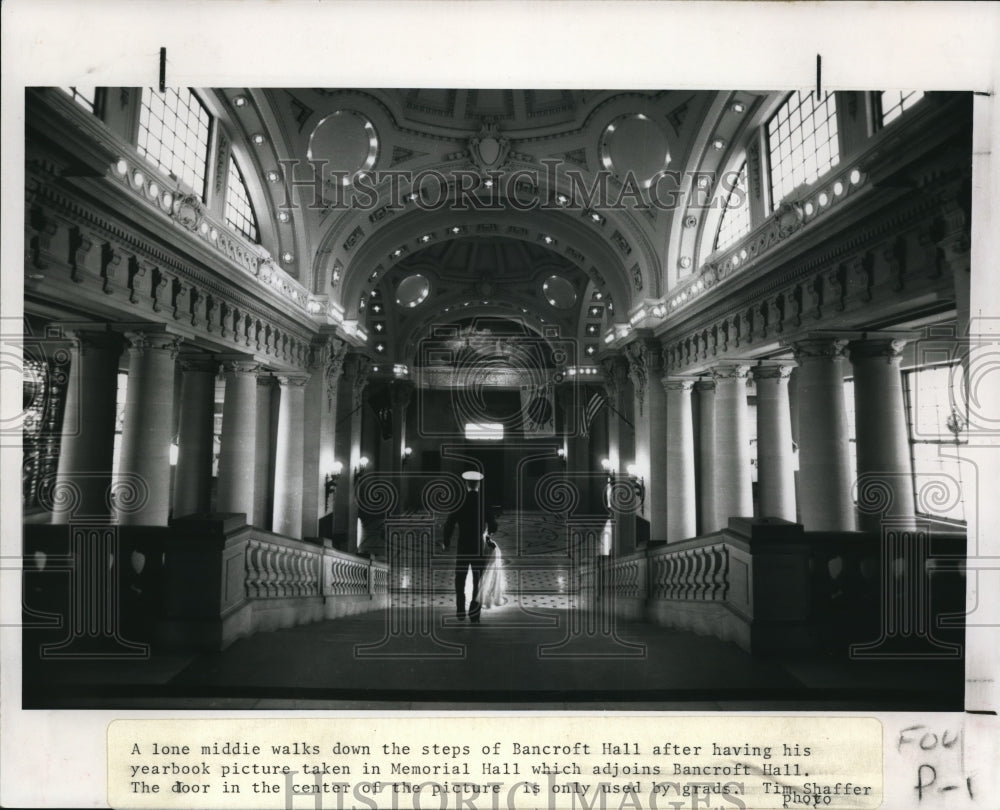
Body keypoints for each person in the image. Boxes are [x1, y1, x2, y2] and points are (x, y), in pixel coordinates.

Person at [439, 471, 498, 624]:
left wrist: (446, 541)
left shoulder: (460, 502)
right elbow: (493, 525)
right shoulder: (484, 502)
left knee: (460, 578)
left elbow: (449, 524)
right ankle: (474, 614)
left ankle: (460, 610)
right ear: (478, 484)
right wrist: (488, 532)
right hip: (478, 546)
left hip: (463, 546)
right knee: (478, 580)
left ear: (466, 485)